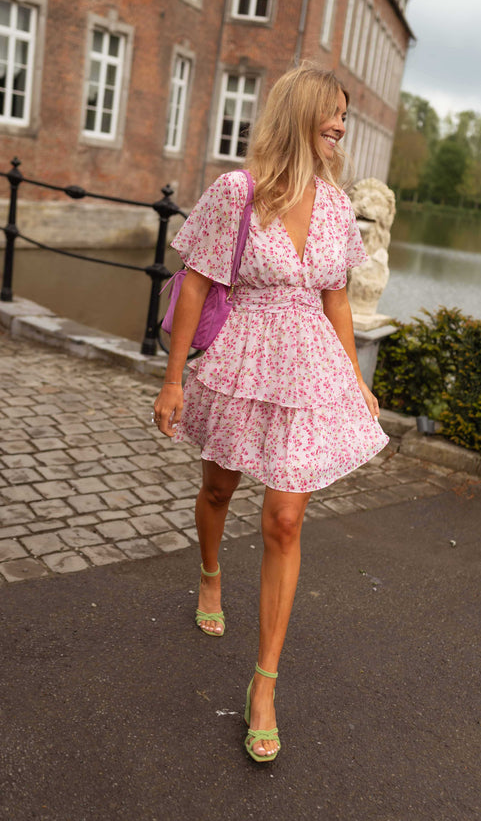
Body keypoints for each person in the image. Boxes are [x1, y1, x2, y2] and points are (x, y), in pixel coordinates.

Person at [152, 63, 389, 763]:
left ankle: (264, 684)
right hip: (239, 362)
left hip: (309, 365)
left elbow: (337, 297)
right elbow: (195, 284)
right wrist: (173, 381)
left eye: (346, 115)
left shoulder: (338, 204)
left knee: (283, 519)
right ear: (301, 111)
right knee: (218, 489)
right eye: (333, 112)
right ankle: (209, 571)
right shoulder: (236, 192)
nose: (341, 125)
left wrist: (355, 379)